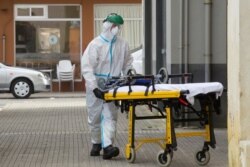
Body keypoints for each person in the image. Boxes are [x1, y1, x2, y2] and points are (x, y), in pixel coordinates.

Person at [81, 13, 133, 160]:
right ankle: (96, 143)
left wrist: (128, 73)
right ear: (107, 26)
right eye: (114, 26)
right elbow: (87, 68)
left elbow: (127, 62)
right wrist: (94, 87)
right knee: (94, 117)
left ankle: (108, 147)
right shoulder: (95, 45)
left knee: (110, 116)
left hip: (113, 85)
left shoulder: (122, 44)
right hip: (96, 85)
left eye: (118, 26)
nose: (117, 29)